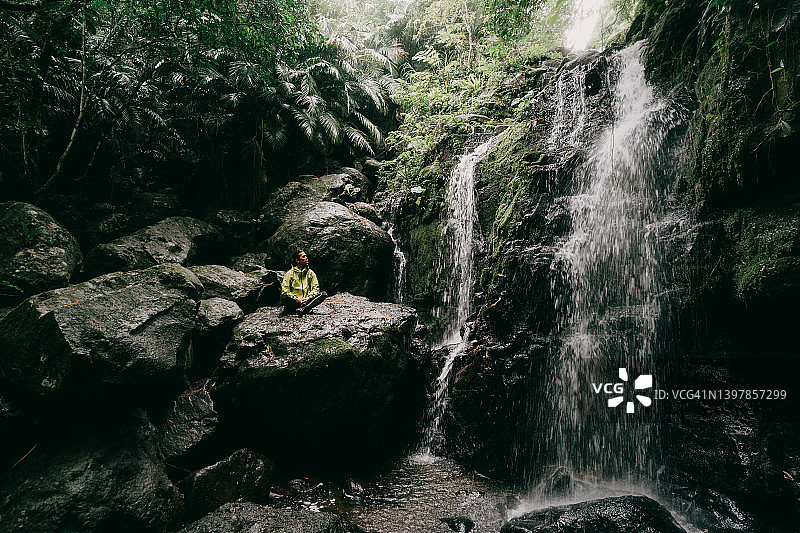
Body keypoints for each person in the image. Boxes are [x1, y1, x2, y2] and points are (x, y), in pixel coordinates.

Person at [281, 250, 328, 315]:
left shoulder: (310, 273)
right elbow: (285, 290)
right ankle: (302, 309)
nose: (306, 258)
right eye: (303, 256)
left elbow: (316, 288)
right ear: (297, 260)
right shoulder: (289, 274)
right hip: (296, 301)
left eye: (306, 256)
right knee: (284, 297)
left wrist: (308, 298)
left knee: (323, 294)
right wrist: (297, 299)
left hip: (307, 301)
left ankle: (304, 309)